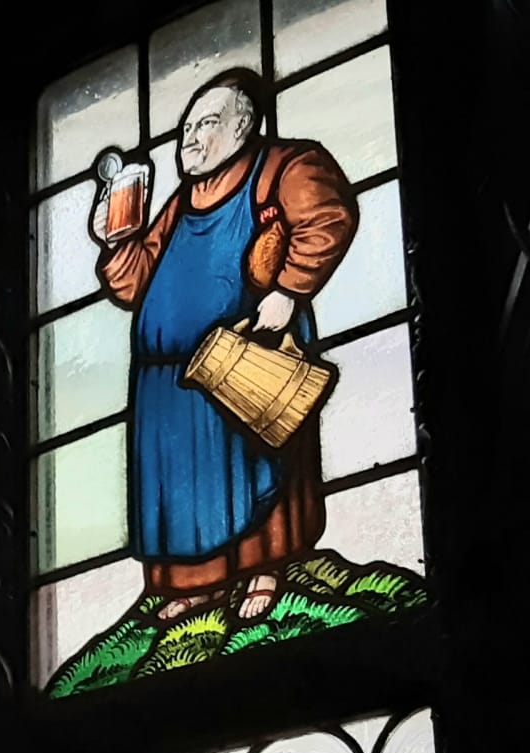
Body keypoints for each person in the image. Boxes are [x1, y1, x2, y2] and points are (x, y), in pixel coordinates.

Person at [93, 69, 358, 623]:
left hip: (243, 356)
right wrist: (118, 240)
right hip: (168, 384)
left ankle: (267, 570)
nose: (189, 138)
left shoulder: (282, 167)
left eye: (206, 124)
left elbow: (328, 215)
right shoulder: (181, 201)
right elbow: (135, 284)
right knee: (184, 491)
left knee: (255, 468)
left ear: (243, 127)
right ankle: (200, 586)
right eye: (186, 127)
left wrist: (289, 289)